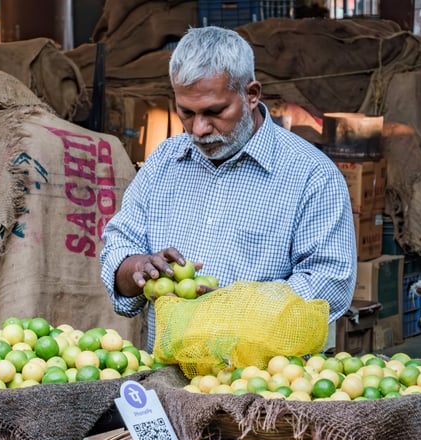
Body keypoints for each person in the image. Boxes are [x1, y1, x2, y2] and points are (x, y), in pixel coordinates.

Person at [99, 26, 357, 350]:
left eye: (215, 111)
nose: (200, 128)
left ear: (251, 95)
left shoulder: (312, 175)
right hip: (167, 378)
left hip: (263, 384)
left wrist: (234, 310)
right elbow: (119, 246)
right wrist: (138, 267)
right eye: (186, 112)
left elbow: (330, 284)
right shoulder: (163, 161)